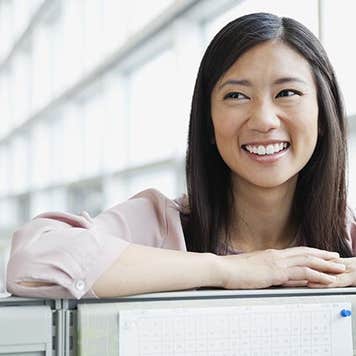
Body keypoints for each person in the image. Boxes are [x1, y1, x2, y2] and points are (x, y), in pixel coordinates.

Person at [6, 12, 356, 300]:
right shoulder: (160, 225)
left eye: (287, 92)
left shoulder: (346, 234)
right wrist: (232, 270)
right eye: (236, 96)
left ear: (323, 116)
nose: (264, 120)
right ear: (208, 123)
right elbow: (33, 261)